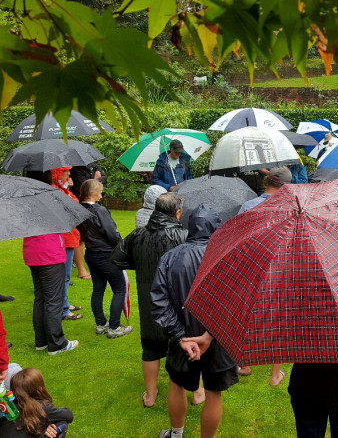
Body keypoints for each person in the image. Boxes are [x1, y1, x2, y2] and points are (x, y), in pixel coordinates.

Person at [152, 205, 238, 438]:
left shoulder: (171, 257)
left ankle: (176, 434)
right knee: (213, 392)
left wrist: (180, 337)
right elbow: (234, 302)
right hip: (216, 338)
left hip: (187, 336)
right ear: (217, 227)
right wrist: (206, 334)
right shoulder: (228, 256)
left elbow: (159, 303)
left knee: (176, 384)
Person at [111, 193, 189, 408]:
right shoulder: (184, 236)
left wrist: (142, 263)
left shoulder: (138, 234)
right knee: (186, 346)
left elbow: (118, 258)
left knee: (151, 348)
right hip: (177, 302)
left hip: (151, 303)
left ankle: (151, 394)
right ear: (177, 213)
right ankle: (198, 391)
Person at [236, 167, 290, 385]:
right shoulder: (290, 208)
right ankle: (275, 374)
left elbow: (238, 238)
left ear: (268, 180)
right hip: (280, 268)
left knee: (247, 312)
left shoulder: (248, 206)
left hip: (251, 267)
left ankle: (244, 363)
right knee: (281, 316)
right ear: (286, 186)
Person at [77, 180, 133, 339]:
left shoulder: (80, 209)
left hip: (92, 254)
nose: (102, 194)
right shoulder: (99, 210)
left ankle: (101, 324)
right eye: (100, 191)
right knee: (119, 289)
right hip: (106, 255)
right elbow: (111, 233)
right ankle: (114, 327)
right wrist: (122, 246)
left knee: (98, 289)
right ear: (94, 193)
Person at [23, 231, 78, 356]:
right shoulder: (50, 213)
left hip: (33, 253)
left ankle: (41, 341)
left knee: (40, 298)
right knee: (53, 300)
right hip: (50, 253)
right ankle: (57, 344)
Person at [50, 167, 84, 320]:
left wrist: (66, 188)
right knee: (63, 276)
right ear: (56, 173)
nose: (69, 174)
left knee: (66, 275)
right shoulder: (54, 191)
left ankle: (65, 303)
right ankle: (63, 310)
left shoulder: (59, 189)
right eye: (65, 171)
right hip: (64, 239)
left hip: (68, 238)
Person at [0, 368, 73, 438]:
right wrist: (48, 421)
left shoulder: (11, 409)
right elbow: (69, 415)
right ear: (40, 389)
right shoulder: (42, 407)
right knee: (61, 423)